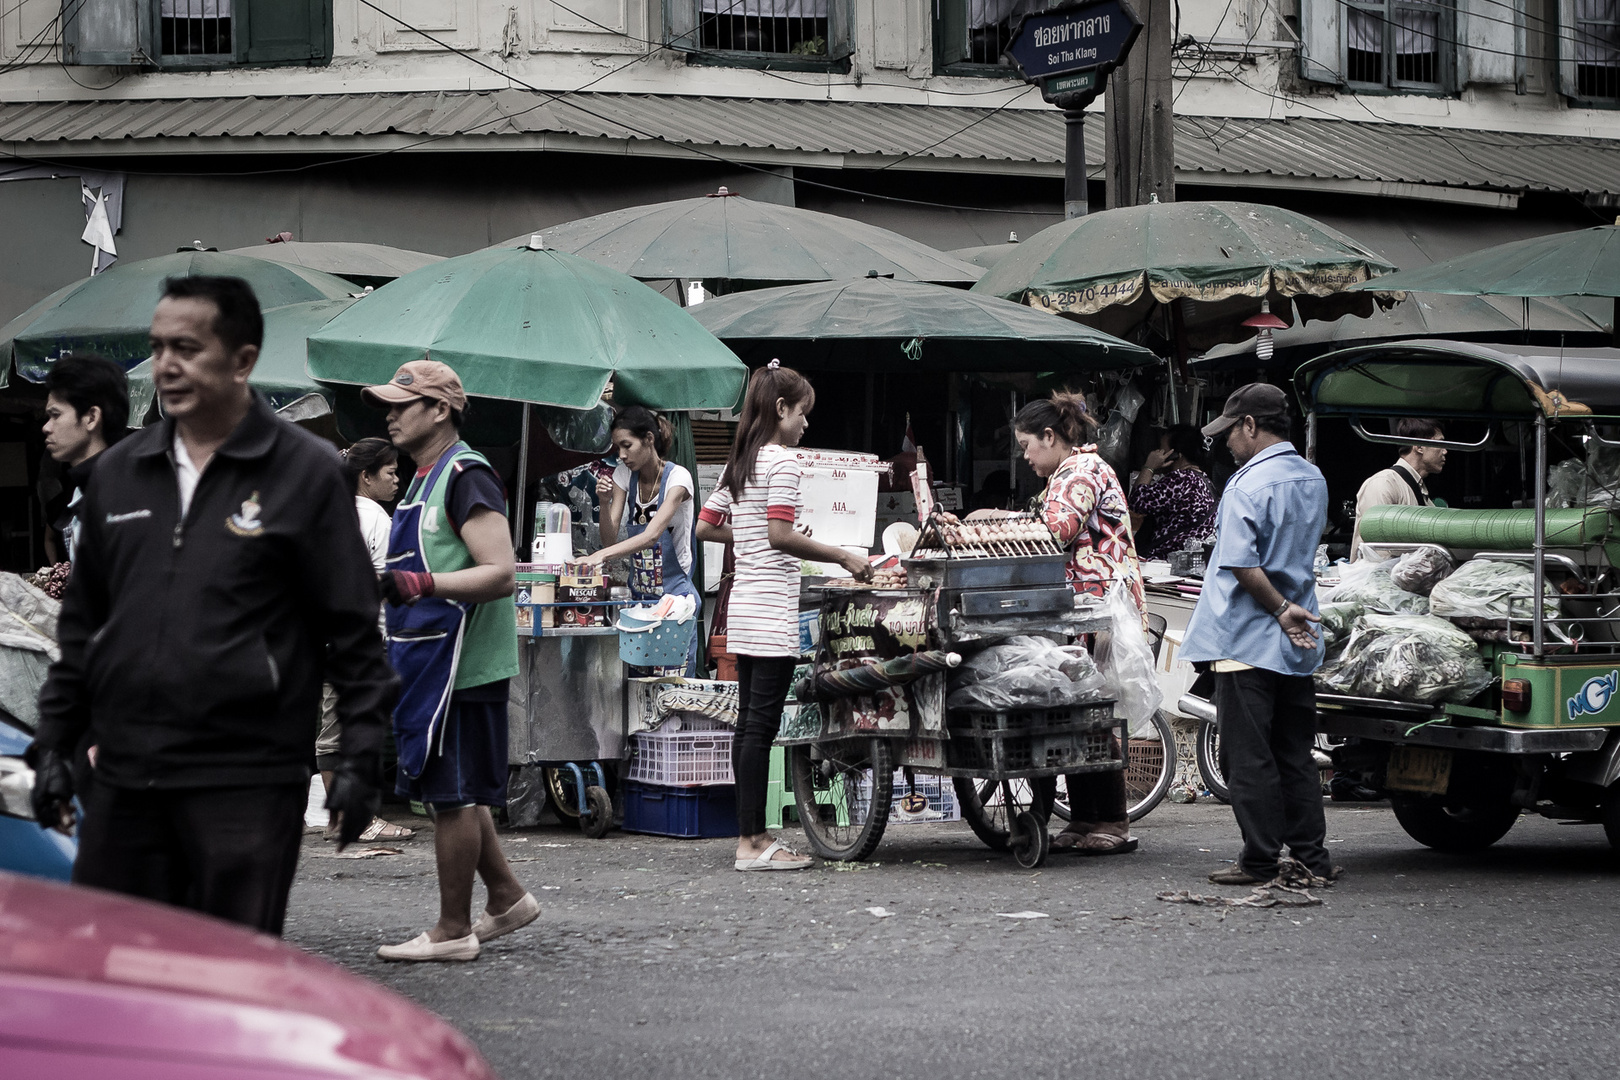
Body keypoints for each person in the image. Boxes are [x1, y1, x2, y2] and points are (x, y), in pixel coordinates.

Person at [28, 275, 398, 935]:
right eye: (158, 346)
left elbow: (352, 627)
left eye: (188, 348)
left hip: (247, 779)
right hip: (125, 775)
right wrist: (55, 743)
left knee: (228, 981)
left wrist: (362, 754)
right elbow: (84, 628)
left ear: (242, 360)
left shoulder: (305, 472)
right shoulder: (119, 473)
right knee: (116, 973)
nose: (166, 365)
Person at [364, 360, 536, 962]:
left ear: (440, 410)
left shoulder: (465, 474)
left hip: (462, 665)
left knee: (455, 797)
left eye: (401, 403)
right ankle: (507, 897)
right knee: (452, 791)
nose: (389, 413)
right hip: (429, 663)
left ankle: (452, 930)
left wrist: (422, 584)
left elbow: (500, 571)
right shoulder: (420, 478)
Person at [696, 360, 872, 872]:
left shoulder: (742, 462)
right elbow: (779, 535)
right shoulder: (783, 464)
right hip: (771, 611)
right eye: (802, 413)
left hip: (742, 607)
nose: (805, 423)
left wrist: (746, 537)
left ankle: (750, 836)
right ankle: (752, 842)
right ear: (781, 410)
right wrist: (842, 554)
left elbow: (707, 527)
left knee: (748, 727)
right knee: (759, 728)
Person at [968, 392, 1145, 855]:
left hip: (1098, 607)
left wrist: (995, 518)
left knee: (1092, 709)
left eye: (1028, 445)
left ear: (1052, 437)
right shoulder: (1070, 472)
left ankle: (1111, 820)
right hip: (1081, 606)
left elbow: (1054, 531)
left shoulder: (1081, 472)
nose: (1025, 456)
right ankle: (1086, 819)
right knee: (1074, 709)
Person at [1180, 383, 1338, 887]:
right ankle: (1312, 859)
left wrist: (1280, 608)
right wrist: (1292, 610)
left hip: (1249, 637)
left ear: (1249, 426)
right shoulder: (1312, 477)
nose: (1226, 442)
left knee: (1247, 757)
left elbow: (1241, 563)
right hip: (1296, 644)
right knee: (1293, 753)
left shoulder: (1246, 486)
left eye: (1230, 431)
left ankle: (1262, 860)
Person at [315, 437, 413, 843]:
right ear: (366, 476)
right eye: (390, 473)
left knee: (333, 726)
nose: (397, 480)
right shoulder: (376, 518)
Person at [577, 406, 702, 675]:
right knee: (635, 692)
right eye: (617, 448)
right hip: (639, 606)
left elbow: (652, 535)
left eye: (626, 445)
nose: (621, 455)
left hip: (674, 604)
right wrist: (603, 501)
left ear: (648, 439)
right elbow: (609, 540)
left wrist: (600, 556)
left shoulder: (679, 479)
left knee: (670, 690)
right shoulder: (624, 476)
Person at [42, 354, 129, 561]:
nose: (46, 427)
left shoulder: (124, 497)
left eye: (56, 415)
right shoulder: (82, 493)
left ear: (91, 418)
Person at [1349, 417, 1447, 559]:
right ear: (1419, 446)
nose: (1445, 451)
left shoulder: (1421, 490)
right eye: (1440, 444)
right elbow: (1376, 551)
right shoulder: (1384, 483)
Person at [1129, 424, 1217, 560]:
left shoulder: (1180, 479)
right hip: (1187, 563)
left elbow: (1137, 503)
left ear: (1176, 455)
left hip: (1164, 562)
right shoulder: (1206, 482)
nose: (1158, 453)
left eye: (1162, 450)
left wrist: (1149, 467)